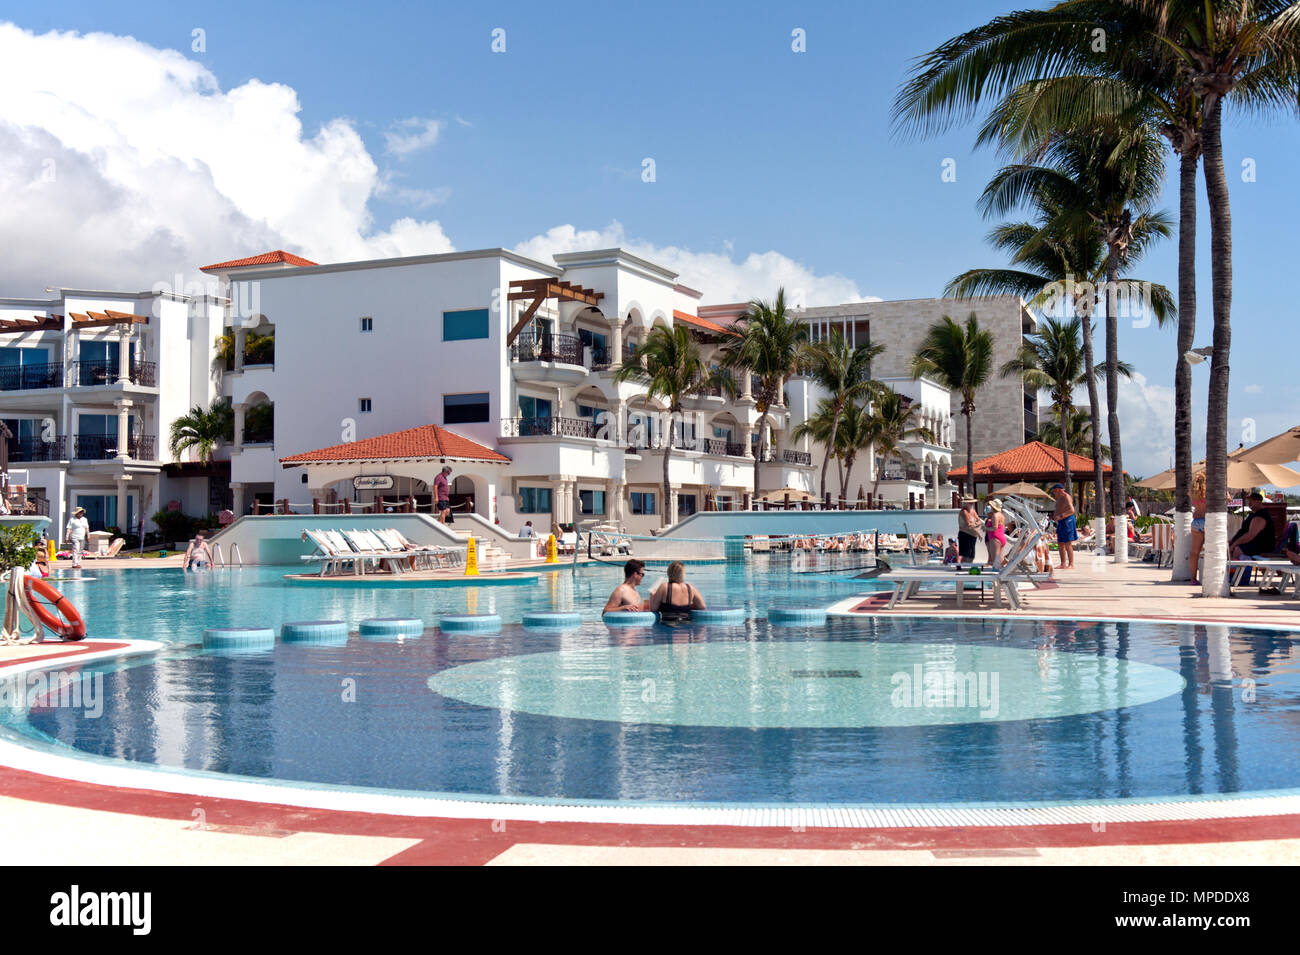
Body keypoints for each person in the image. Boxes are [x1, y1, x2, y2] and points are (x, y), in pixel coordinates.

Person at [1229, 491, 1277, 586]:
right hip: (1254, 543)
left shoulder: (1261, 516)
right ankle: (1231, 577)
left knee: (1238, 550)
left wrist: (1235, 544)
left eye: (1252, 501)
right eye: (1249, 501)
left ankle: (1237, 579)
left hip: (1262, 545)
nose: (1249, 503)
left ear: (1259, 502)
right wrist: (1232, 542)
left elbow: (1250, 535)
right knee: (1228, 547)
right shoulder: (1254, 514)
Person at [1050, 483, 1077, 569]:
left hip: (1067, 521)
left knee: (1067, 543)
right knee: (1060, 543)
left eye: (1055, 491)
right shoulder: (1059, 498)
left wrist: (1061, 516)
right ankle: (1063, 563)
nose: (1054, 493)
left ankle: (1071, 564)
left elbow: (1072, 510)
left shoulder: (1066, 497)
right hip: (1061, 522)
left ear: (1059, 489)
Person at [1188, 471, 1208, 584]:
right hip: (1207, 521)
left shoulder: (1194, 493)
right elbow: (1228, 499)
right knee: (1211, 550)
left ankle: (1193, 579)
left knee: (1194, 552)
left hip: (1196, 522)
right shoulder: (1209, 492)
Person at [956, 497, 980, 565]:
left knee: (972, 555)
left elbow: (979, 521)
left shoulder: (973, 510)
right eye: (970, 502)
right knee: (966, 554)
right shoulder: (964, 511)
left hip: (972, 535)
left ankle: (968, 566)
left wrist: (974, 524)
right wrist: (977, 531)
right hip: (965, 535)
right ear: (966, 503)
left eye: (972, 502)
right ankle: (962, 566)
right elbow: (968, 524)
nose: (972, 504)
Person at [985, 499, 1007, 567]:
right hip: (1001, 537)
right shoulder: (1002, 515)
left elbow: (994, 528)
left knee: (995, 561)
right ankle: (1001, 573)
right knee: (1000, 559)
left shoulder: (995, 515)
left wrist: (985, 528)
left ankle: (997, 575)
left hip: (995, 538)